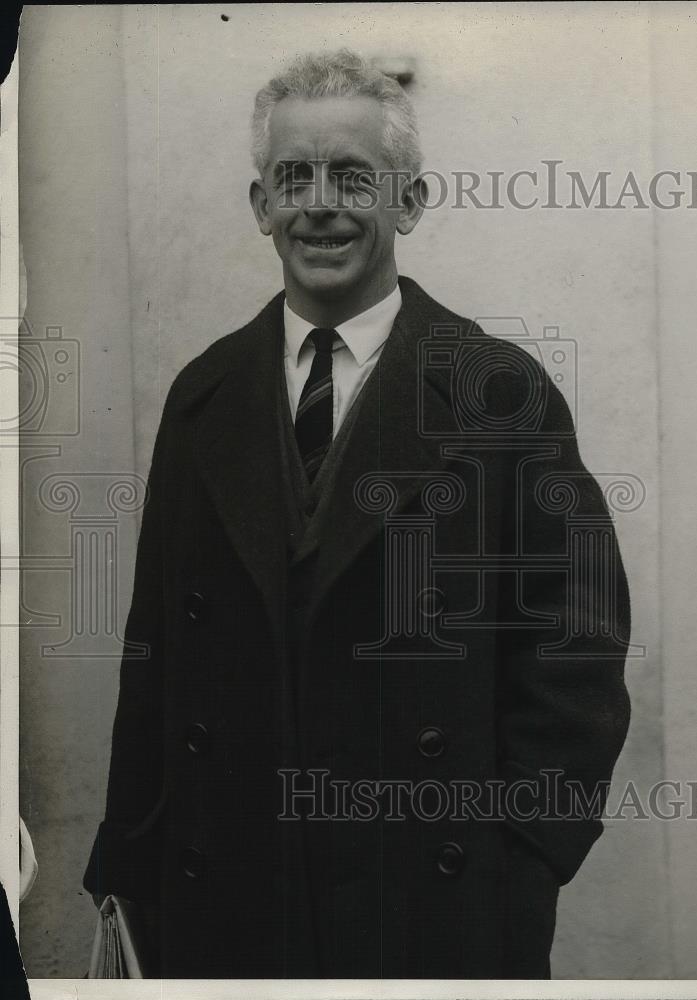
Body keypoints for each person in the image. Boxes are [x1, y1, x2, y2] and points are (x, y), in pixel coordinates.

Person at [84, 48, 631, 979]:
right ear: (260, 206)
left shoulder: (498, 390)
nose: (320, 203)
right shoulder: (203, 394)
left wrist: (520, 855)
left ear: (408, 202)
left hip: (428, 897)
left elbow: (573, 644)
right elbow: (154, 657)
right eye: (292, 177)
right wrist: (129, 862)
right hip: (228, 895)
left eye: (353, 176)